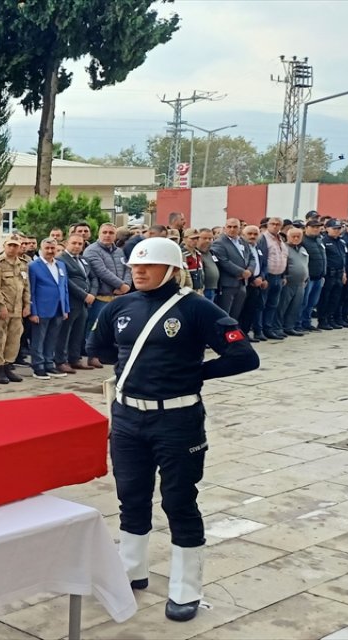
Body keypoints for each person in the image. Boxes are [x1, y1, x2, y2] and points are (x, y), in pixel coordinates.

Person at [87, 237, 259, 623]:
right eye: (135, 266)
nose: (139, 271)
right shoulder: (119, 306)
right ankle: (131, 569)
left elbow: (244, 356)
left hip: (177, 420)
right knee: (131, 497)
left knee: (179, 502)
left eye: (148, 265)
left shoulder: (197, 308)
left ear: (172, 269)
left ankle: (186, 588)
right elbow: (99, 347)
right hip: (128, 418)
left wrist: (194, 373)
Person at [82, 224, 130, 368]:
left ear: (115, 235)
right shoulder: (92, 250)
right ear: (99, 233)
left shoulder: (119, 252)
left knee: (113, 328)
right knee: (94, 327)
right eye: (104, 232)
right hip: (100, 296)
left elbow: (128, 269)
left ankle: (108, 355)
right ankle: (92, 356)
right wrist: (121, 285)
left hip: (116, 296)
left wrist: (126, 286)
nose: (107, 235)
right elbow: (101, 271)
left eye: (111, 233)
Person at [27, 238, 70, 380]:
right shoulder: (33, 266)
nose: (50, 251)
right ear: (41, 249)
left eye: (53, 248)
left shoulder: (61, 265)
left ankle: (49, 363)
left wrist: (65, 308)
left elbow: (64, 288)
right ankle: (38, 366)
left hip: (58, 308)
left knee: (52, 338)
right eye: (47, 248)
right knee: (39, 339)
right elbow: (31, 291)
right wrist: (33, 311)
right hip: (41, 309)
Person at [0, 238, 30, 385]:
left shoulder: (23, 264)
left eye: (15, 246)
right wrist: (0, 306)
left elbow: (26, 287)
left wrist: (27, 304)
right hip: (4, 309)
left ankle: (7, 366)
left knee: (14, 340)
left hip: (17, 309)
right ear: (4, 246)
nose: (13, 248)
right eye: (10, 245)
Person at [57, 233, 97, 372]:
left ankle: (75, 358)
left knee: (78, 332)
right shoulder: (61, 259)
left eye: (80, 244)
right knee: (64, 332)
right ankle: (60, 360)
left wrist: (93, 293)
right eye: (74, 243)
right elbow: (66, 281)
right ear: (67, 243)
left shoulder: (84, 260)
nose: (77, 246)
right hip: (71, 301)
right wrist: (84, 295)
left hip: (84, 303)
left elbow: (93, 278)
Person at [210, 218, 255, 322]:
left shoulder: (242, 241)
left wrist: (250, 270)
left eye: (235, 227)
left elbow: (251, 257)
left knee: (236, 314)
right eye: (229, 227)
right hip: (228, 284)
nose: (232, 229)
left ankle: (233, 331)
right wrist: (242, 272)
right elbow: (224, 262)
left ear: (240, 228)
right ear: (224, 228)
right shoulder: (219, 243)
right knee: (224, 313)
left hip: (242, 284)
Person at [257, 218, 289, 339]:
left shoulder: (280, 239)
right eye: (273, 224)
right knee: (261, 305)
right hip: (267, 276)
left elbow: (284, 257)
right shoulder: (263, 238)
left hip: (278, 277)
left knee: (273, 305)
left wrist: (283, 275)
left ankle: (268, 328)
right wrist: (262, 276)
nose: (275, 226)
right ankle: (259, 330)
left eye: (278, 224)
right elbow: (261, 259)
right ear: (268, 225)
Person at [277, 228, 309, 337]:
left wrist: (306, 277)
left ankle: (289, 327)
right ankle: (278, 328)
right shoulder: (284, 248)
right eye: (293, 236)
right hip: (288, 282)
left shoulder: (302, 249)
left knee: (295, 307)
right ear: (288, 237)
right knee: (282, 306)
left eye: (298, 237)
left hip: (300, 283)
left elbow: (305, 264)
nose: (296, 238)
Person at [318, 220, 348, 329]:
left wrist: (344, 272)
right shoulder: (323, 241)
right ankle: (323, 320)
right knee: (325, 298)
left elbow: (343, 258)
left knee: (335, 298)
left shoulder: (341, 242)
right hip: (329, 274)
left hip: (339, 274)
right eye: (334, 228)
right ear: (327, 228)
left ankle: (330, 319)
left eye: (339, 228)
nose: (337, 230)